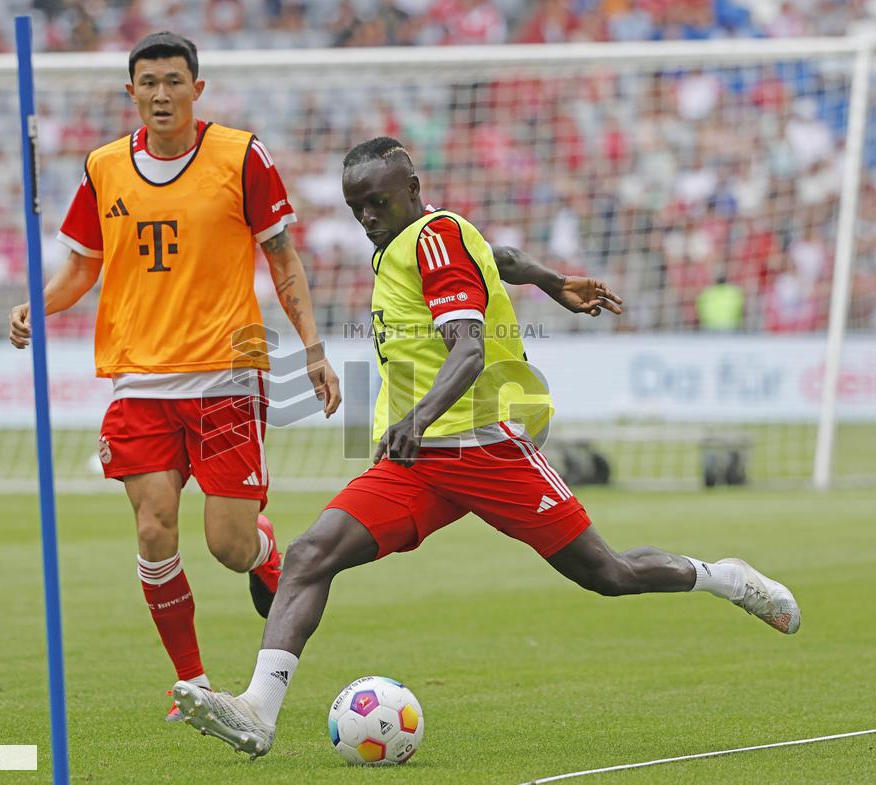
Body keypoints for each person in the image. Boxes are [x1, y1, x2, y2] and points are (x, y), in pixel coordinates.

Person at [170, 137, 800, 756]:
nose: (366, 217)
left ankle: (724, 578)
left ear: (413, 191)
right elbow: (498, 256)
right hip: (418, 463)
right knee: (311, 553)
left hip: (485, 449)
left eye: (378, 203)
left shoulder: (433, 237)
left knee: (609, 574)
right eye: (355, 205)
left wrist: (416, 417)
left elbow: (468, 350)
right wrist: (552, 280)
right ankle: (258, 710)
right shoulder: (411, 243)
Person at [7, 32, 341, 720]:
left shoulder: (242, 156)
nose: (161, 94)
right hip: (139, 381)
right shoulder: (103, 167)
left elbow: (281, 258)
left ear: (198, 89)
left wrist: (312, 347)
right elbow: (81, 266)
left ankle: (265, 549)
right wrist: (34, 308)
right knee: (154, 527)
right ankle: (190, 681)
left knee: (228, 544)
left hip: (225, 375)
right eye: (148, 82)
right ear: (131, 92)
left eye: (173, 81)